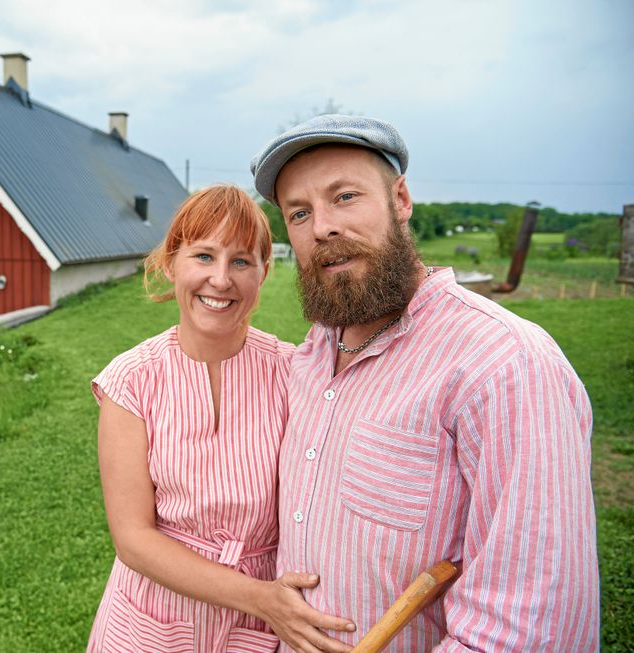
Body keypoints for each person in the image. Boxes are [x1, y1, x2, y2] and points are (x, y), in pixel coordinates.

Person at [249, 114, 599, 652]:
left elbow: (528, 630)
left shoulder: (505, 365)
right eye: (299, 212)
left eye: (344, 196)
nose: (322, 227)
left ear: (402, 199)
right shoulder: (314, 353)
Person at [87, 185, 354, 652]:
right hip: (152, 620)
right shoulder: (131, 381)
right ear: (173, 263)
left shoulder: (295, 372)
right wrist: (261, 598)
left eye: (241, 262)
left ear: (264, 273)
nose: (221, 280)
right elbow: (133, 539)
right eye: (204, 256)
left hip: (255, 630)